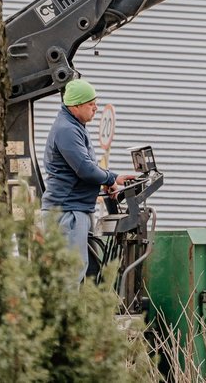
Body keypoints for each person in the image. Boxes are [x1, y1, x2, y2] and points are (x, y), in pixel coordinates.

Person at [41, 78, 135, 283]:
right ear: (75, 106)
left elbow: (87, 166)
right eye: (91, 104)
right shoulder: (67, 129)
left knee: (82, 270)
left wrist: (109, 180)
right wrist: (111, 178)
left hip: (74, 208)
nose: (95, 108)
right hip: (68, 212)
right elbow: (85, 168)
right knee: (70, 273)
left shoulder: (75, 126)